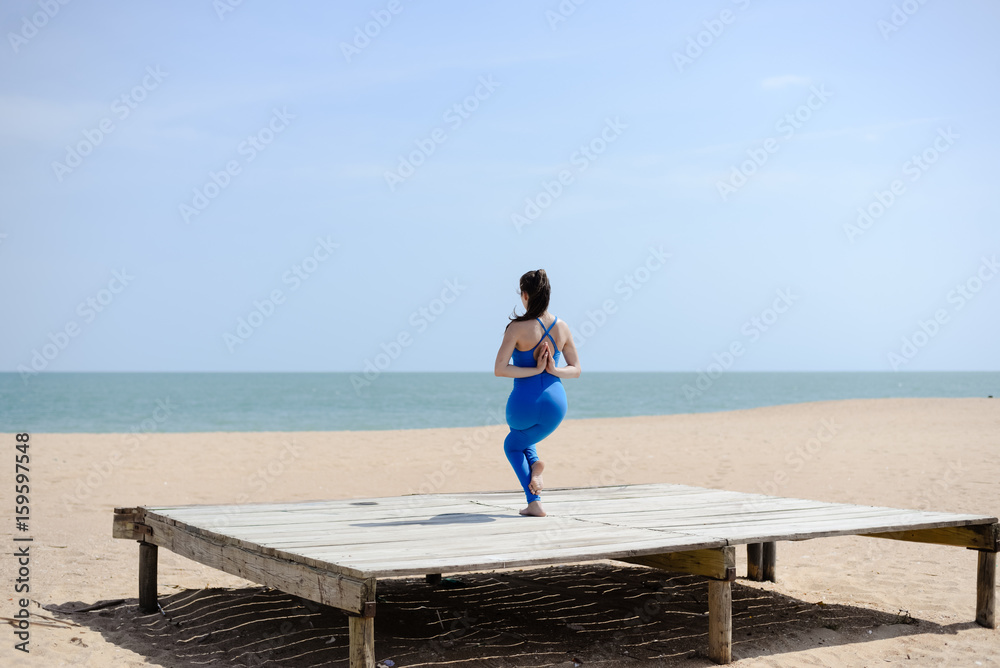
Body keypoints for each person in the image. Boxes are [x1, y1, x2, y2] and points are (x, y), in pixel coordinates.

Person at [493, 269, 581, 517]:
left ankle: (534, 500)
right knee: (525, 438)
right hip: (556, 404)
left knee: (512, 444)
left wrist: (536, 370)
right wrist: (553, 369)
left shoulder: (517, 328)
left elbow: (500, 370)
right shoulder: (561, 327)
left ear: (525, 295)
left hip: (524, 402)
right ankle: (535, 466)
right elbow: (576, 370)